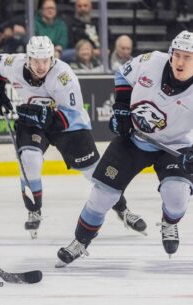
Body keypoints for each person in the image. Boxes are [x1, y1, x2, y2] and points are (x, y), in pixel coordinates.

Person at [0, 35, 147, 239]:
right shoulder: (14, 64)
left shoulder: (64, 76)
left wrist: (43, 116)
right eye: (36, 60)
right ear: (27, 59)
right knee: (29, 159)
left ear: (52, 57)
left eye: (46, 60)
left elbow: (68, 116)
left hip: (69, 125)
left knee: (94, 173)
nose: (42, 65)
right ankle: (34, 208)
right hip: (35, 121)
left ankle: (123, 210)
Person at [56, 30, 193, 267]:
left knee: (177, 198)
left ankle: (169, 222)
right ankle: (80, 241)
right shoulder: (152, 62)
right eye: (177, 55)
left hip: (174, 145)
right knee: (102, 196)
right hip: (134, 139)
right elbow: (123, 74)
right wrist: (121, 106)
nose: (180, 61)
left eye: (188, 57)